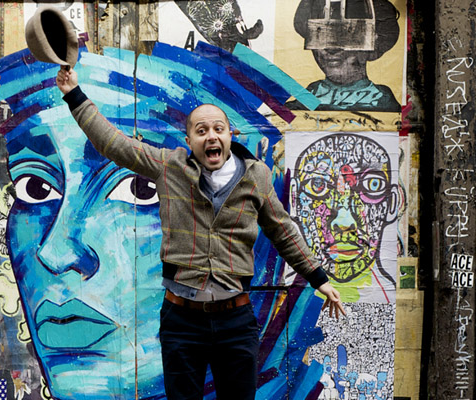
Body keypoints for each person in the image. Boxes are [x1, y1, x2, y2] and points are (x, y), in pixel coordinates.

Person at [54, 66, 345, 399]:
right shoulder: (170, 166)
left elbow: (283, 231)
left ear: (230, 135)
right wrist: (73, 94)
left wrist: (318, 278)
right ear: (189, 141)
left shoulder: (257, 176)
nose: (211, 136)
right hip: (182, 320)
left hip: (235, 320)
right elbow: (114, 145)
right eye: (201, 130)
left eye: (218, 129)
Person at [290, 133, 401, 302]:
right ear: (294, 200)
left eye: (373, 184)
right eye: (317, 185)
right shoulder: (282, 303)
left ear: (392, 204)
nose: (345, 223)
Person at [288, 0, 401, 111]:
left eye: (348, 36)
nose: (331, 49)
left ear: (373, 43)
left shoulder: (384, 103)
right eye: (320, 34)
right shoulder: (299, 105)